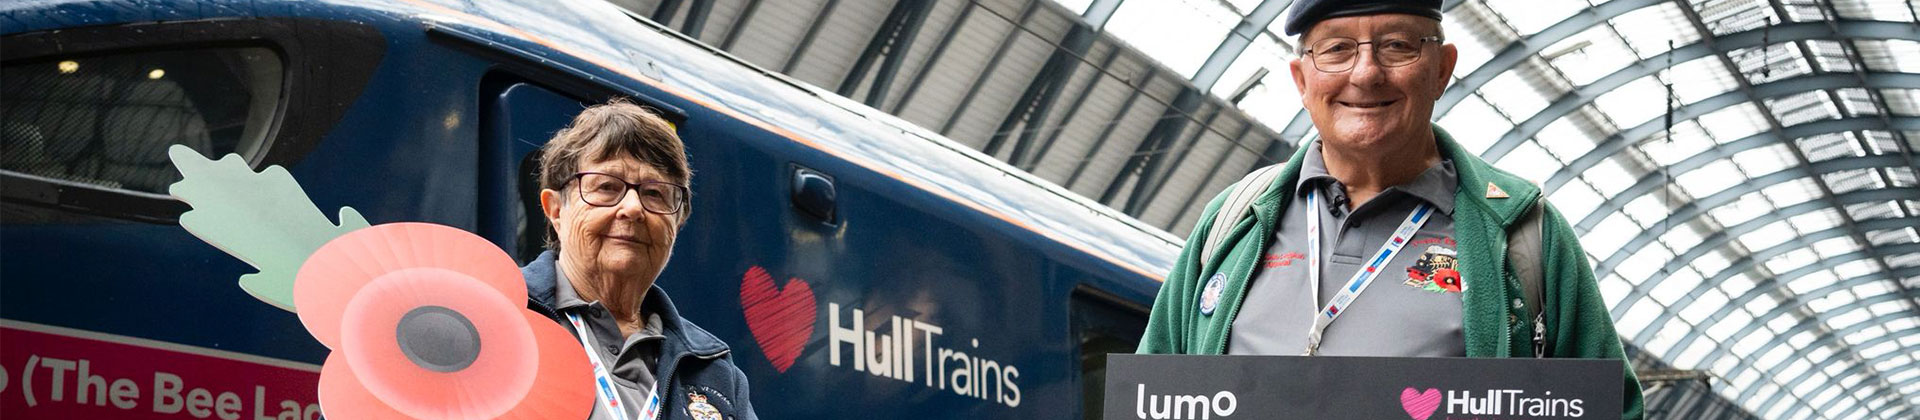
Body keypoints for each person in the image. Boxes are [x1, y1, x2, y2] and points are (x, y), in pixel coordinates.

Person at [1135, 0, 1645, 418]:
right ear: (1301, 79)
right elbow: (1154, 390)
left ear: (1443, 69)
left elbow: (1610, 410)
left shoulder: (1524, 234)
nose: (1366, 73)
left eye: (1397, 46)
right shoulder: (1234, 220)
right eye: (1336, 50)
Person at [522, 98, 757, 420]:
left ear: (677, 223)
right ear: (556, 210)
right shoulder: (498, 313)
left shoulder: (714, 372)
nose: (633, 208)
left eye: (654, 193)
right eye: (606, 187)